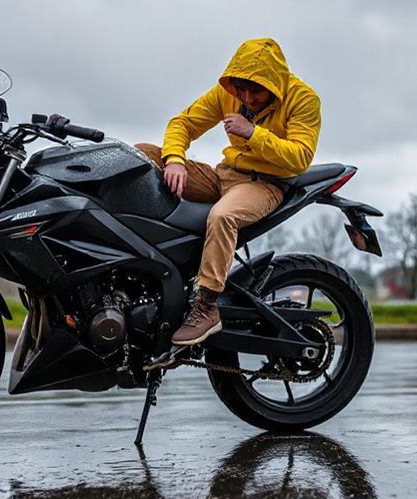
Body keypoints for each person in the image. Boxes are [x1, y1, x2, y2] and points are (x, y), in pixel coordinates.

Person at [135, 38, 321, 346]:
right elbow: (182, 123)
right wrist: (174, 159)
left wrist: (254, 133)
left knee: (222, 216)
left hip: (265, 184)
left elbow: (301, 157)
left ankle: (206, 306)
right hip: (223, 175)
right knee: (141, 155)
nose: (247, 98)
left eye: (256, 91)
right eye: (241, 89)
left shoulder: (303, 99)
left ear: (274, 85)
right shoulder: (228, 93)